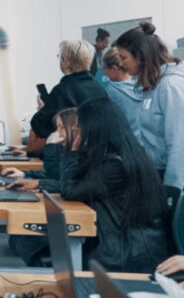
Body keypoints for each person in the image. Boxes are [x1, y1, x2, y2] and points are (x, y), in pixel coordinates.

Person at [58, 98, 167, 272]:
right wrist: (39, 183)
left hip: (127, 254)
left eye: (80, 125)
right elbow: (81, 184)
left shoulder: (115, 166)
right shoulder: (117, 156)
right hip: (121, 244)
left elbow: (71, 191)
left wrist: (72, 152)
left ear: (96, 127)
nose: (77, 130)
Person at [115, 21, 184, 188]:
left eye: (124, 57)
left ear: (140, 55)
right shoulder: (151, 87)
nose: (121, 64)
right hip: (152, 174)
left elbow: (179, 144)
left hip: (169, 178)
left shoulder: (170, 87)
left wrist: (172, 192)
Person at [30, 39, 107, 138]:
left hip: (74, 149)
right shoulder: (98, 87)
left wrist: (42, 109)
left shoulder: (63, 90)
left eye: (60, 57)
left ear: (66, 62)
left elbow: (41, 128)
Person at [3, 108, 77, 192]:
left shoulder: (83, 155)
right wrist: (25, 174)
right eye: (57, 128)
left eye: (61, 127)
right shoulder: (67, 150)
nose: (57, 133)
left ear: (75, 129)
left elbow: (56, 177)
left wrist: (50, 145)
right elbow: (56, 174)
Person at [101, 47, 142, 131]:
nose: (104, 71)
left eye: (104, 68)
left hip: (125, 139)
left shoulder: (111, 92)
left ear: (114, 69)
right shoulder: (141, 87)